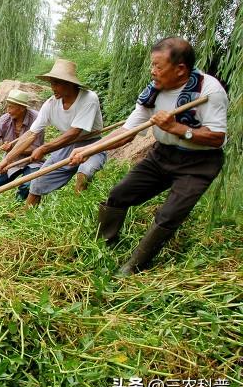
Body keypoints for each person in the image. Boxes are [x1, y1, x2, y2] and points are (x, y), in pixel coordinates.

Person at [69, 37, 228, 276]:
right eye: (152, 65)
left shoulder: (209, 90)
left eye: (158, 66)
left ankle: (133, 267)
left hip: (199, 163)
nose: (152, 71)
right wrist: (87, 150)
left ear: (180, 68)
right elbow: (125, 133)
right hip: (162, 156)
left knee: (169, 215)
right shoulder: (153, 92)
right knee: (119, 195)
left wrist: (176, 128)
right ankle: (102, 245)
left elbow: (217, 137)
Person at [0, 59, 105, 207]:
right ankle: (28, 214)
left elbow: (75, 132)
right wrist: (8, 159)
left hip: (93, 143)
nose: (52, 88)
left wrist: (44, 148)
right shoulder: (50, 104)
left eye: (56, 83)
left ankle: (78, 210)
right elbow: (31, 134)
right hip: (67, 145)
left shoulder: (89, 98)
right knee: (38, 179)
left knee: (84, 172)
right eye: (51, 83)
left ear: (69, 83)